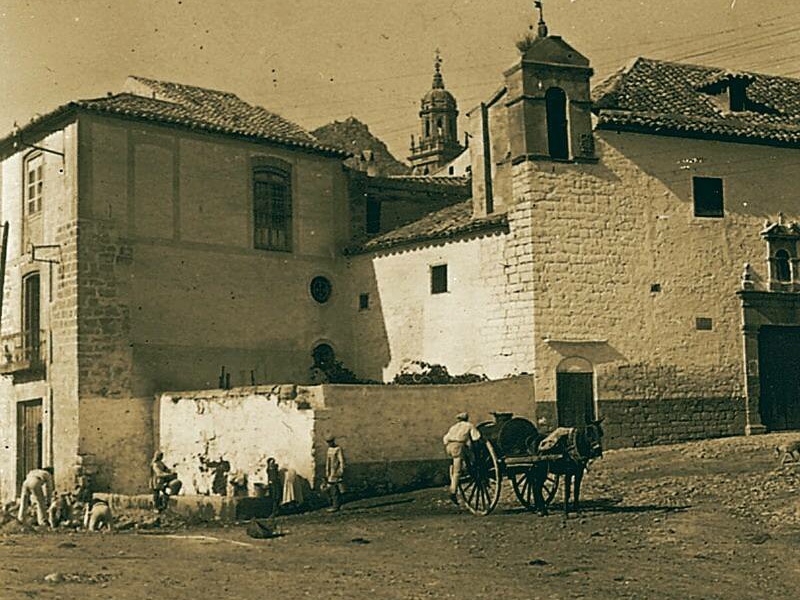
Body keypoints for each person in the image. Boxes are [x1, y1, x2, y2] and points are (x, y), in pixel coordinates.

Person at [442, 412, 481, 505]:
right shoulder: (469, 425)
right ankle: (453, 491)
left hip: (449, 446)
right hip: (459, 447)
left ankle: (462, 470)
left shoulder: (453, 427)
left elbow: (445, 439)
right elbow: (476, 437)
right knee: (457, 471)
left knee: (454, 466)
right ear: (467, 418)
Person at [324, 434, 345, 512]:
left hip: (335, 471)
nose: (329, 443)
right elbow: (327, 462)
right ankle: (335, 504)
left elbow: (341, 460)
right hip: (330, 472)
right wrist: (327, 471)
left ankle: (336, 506)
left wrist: (340, 471)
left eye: (330, 441)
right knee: (330, 489)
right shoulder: (329, 450)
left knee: (334, 489)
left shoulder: (338, 449)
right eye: (328, 442)